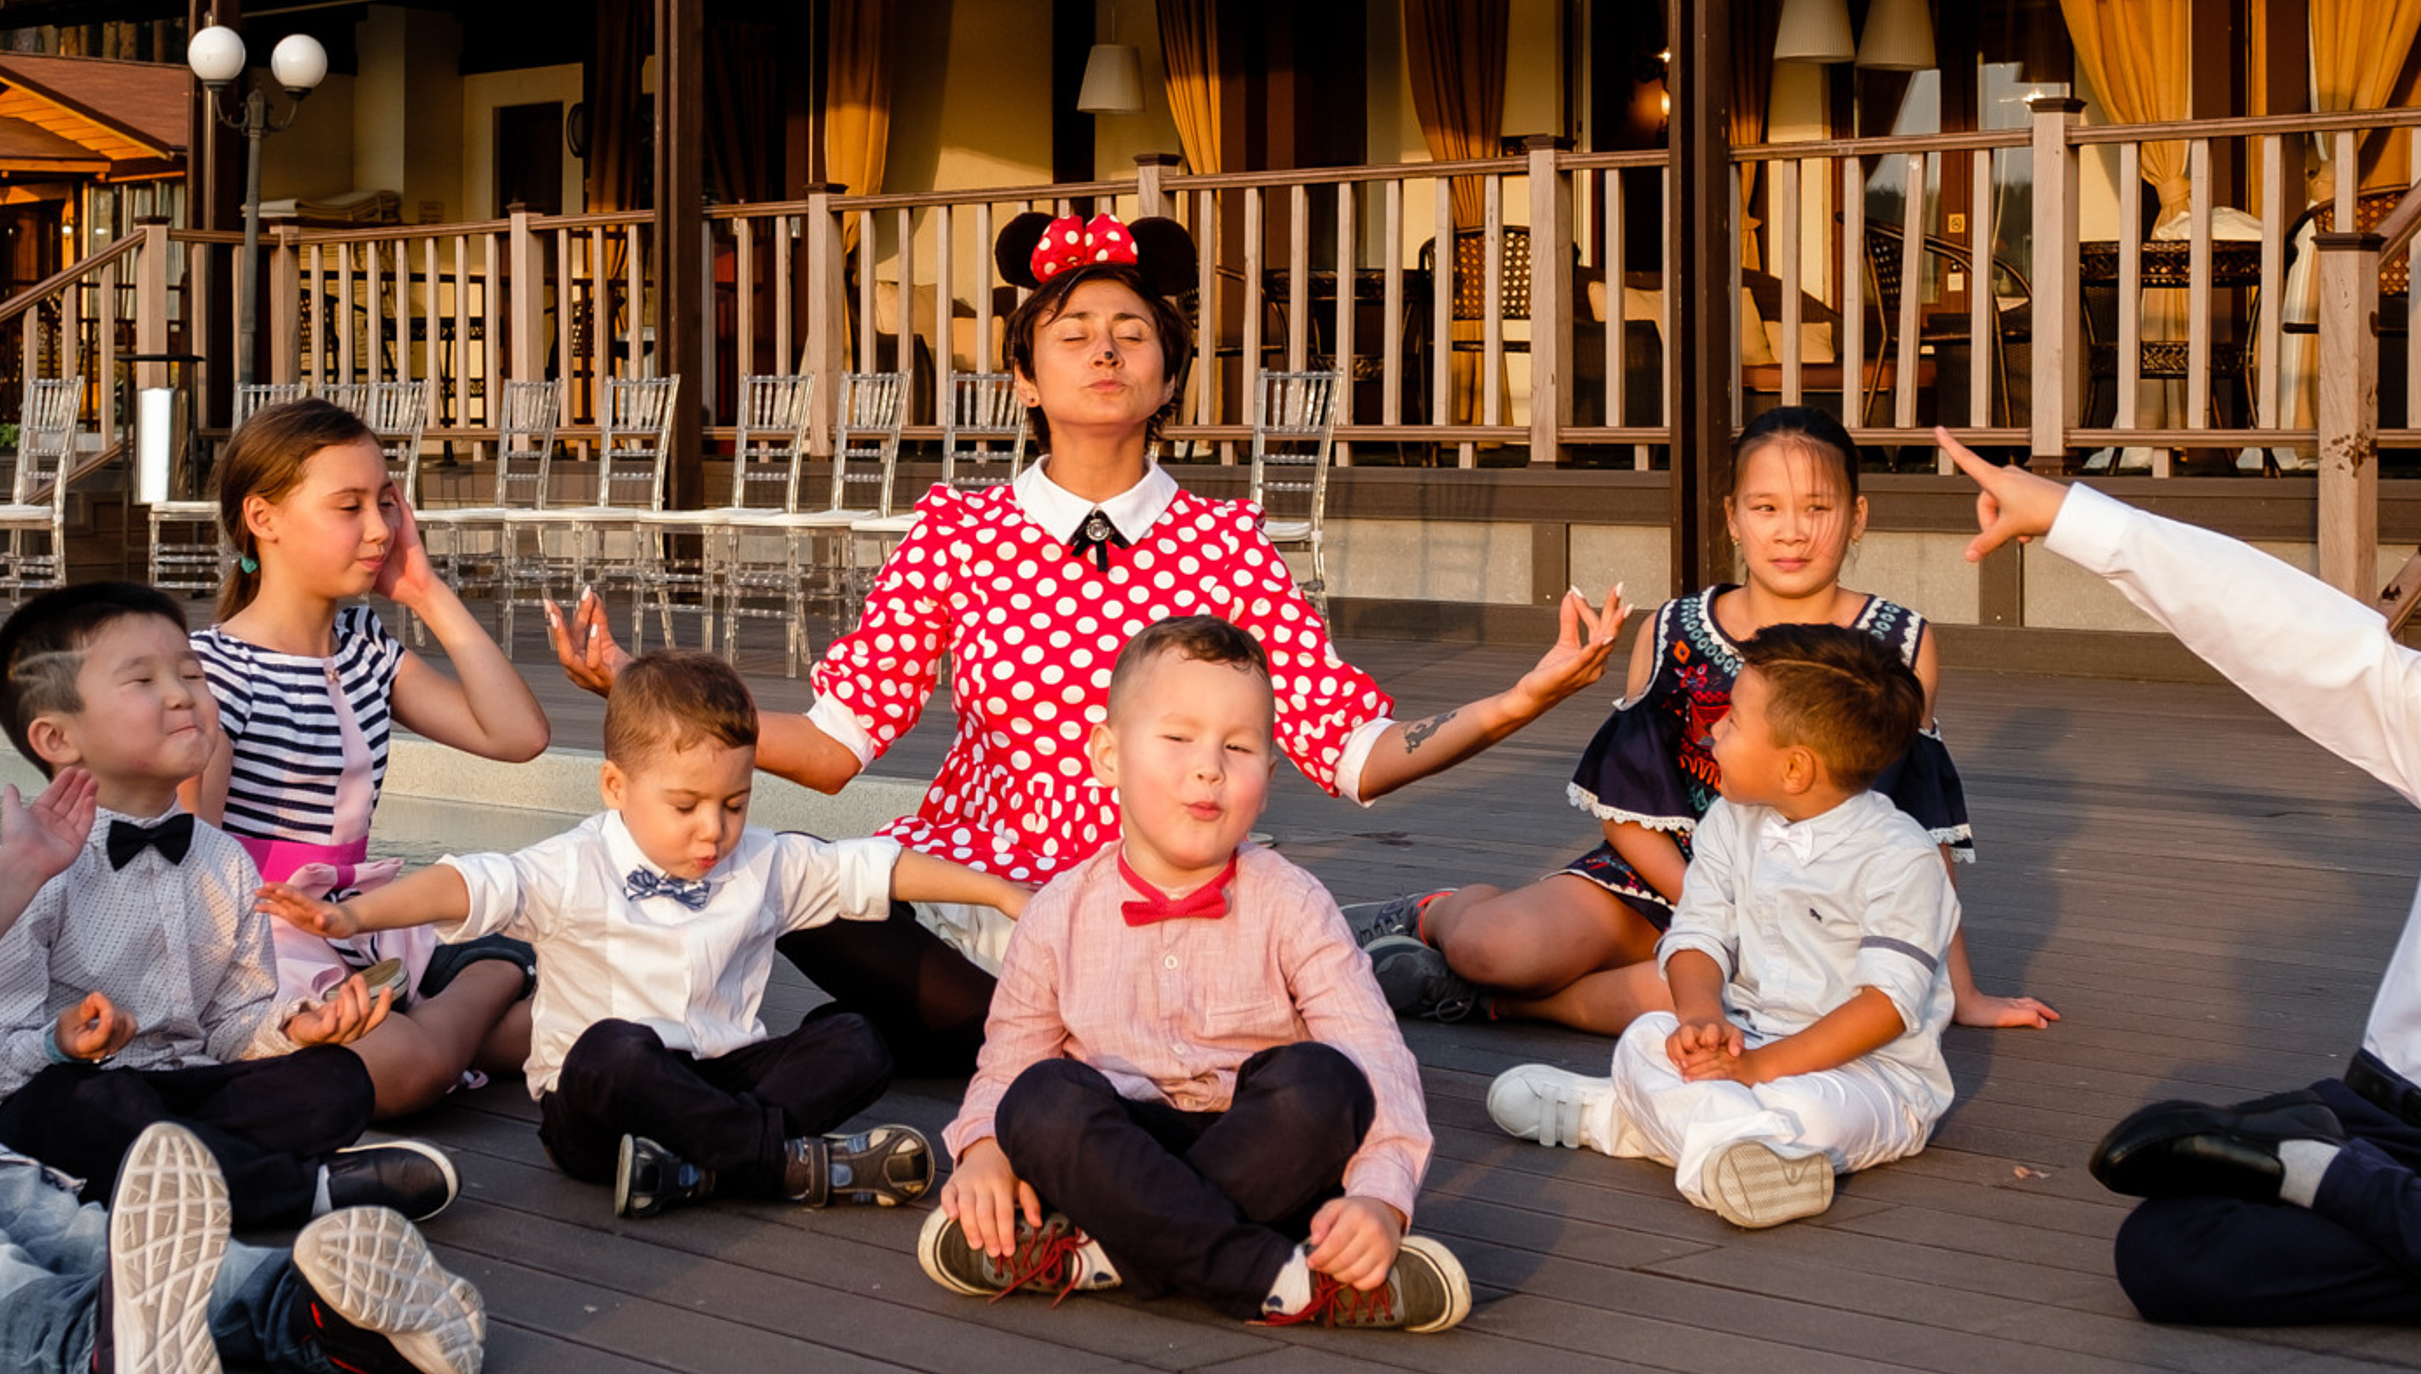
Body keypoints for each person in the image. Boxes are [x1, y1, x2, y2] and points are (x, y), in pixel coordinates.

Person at [551, 208, 1630, 1077]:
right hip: (983, 902)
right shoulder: (957, 529)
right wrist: (670, 698)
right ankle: (1125, 1034)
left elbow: (1350, 751)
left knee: (1100, 997)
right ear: (1024, 377)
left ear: (1167, 376)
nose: (1103, 351)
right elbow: (837, 746)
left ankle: (1065, 1039)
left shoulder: (1225, 541)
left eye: (1130, 333)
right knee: (787, 888)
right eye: (1070, 335)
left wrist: (1521, 698)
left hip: (1155, 900)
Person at [0, 539, 486, 1374]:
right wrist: (52, 1031)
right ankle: (100, 1359)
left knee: (86, 1233)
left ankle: (318, 1317)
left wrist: (30, 863)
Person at [264, 647, 1028, 1219]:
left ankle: (704, 1170)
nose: (714, 829)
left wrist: (998, 892)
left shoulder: (762, 862)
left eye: (734, 803)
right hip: (601, 1110)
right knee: (612, 1047)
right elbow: (470, 881)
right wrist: (354, 915)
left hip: (714, 1077)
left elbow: (883, 870)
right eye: (687, 805)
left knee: (858, 1039)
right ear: (615, 788)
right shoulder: (573, 864)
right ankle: (785, 1164)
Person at [1360, 404, 2050, 1036]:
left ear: (1858, 514)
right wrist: (1711, 907)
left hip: (1811, 907)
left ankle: (1485, 1002)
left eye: (1817, 507)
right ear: (1732, 516)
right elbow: (1626, 809)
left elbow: (1918, 824)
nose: (1791, 531)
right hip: (1666, 880)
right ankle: (1433, 914)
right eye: (1766, 507)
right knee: (1495, 946)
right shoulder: (1674, 630)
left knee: (1724, 1000)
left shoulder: (1897, 643)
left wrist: (1962, 992)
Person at [1944, 424, 2421, 1325]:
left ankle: (2334, 1182)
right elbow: (2320, 648)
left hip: (2375, 1149)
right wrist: (2074, 519)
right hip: (2393, 1112)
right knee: (2172, 1247)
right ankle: (2347, 1182)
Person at [921, 614, 1466, 1330]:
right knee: (1040, 1098)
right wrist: (985, 1149)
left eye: (1238, 748)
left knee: (1329, 1083)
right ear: (1107, 756)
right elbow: (1008, 1061)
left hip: (1260, 1153)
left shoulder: (1295, 903)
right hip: (1118, 1148)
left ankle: (1101, 1253)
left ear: (1267, 781)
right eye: (1178, 738)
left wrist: (1381, 1199)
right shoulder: (1058, 912)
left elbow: (1377, 1059)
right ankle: (1276, 1278)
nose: (1209, 767)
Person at [0, 583, 455, 1229]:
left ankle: (169, 1189)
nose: (182, 694)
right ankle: (300, 1191)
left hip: (186, 1089)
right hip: (79, 1093)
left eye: (190, 673)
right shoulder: (25, 875)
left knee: (334, 1080)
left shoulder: (223, 861)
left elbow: (233, 1025)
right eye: (142, 680)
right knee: (82, 1110)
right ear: (58, 738)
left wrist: (295, 1028)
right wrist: (61, 1044)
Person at [1483, 625, 1962, 1230]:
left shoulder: (1902, 857)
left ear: (1794, 768)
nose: (1712, 733)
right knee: (1646, 1035)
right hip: (1747, 1038)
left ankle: (1617, 1120)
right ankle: (1734, 1154)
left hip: (1871, 1074)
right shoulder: (1733, 822)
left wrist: (1759, 1071)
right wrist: (1701, 1015)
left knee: (1803, 1110)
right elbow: (1697, 932)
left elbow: (1885, 1008)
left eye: (1732, 721)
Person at [192, 396, 551, 1120]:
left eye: (385, 503)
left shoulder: (363, 648)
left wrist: (425, 592)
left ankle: (438, 1018)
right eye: (348, 506)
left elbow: (518, 737)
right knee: (416, 1056)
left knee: (566, 1024)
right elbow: (192, 869)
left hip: (363, 921)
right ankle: (450, 1016)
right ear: (263, 519)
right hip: (268, 942)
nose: (380, 529)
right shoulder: (215, 674)